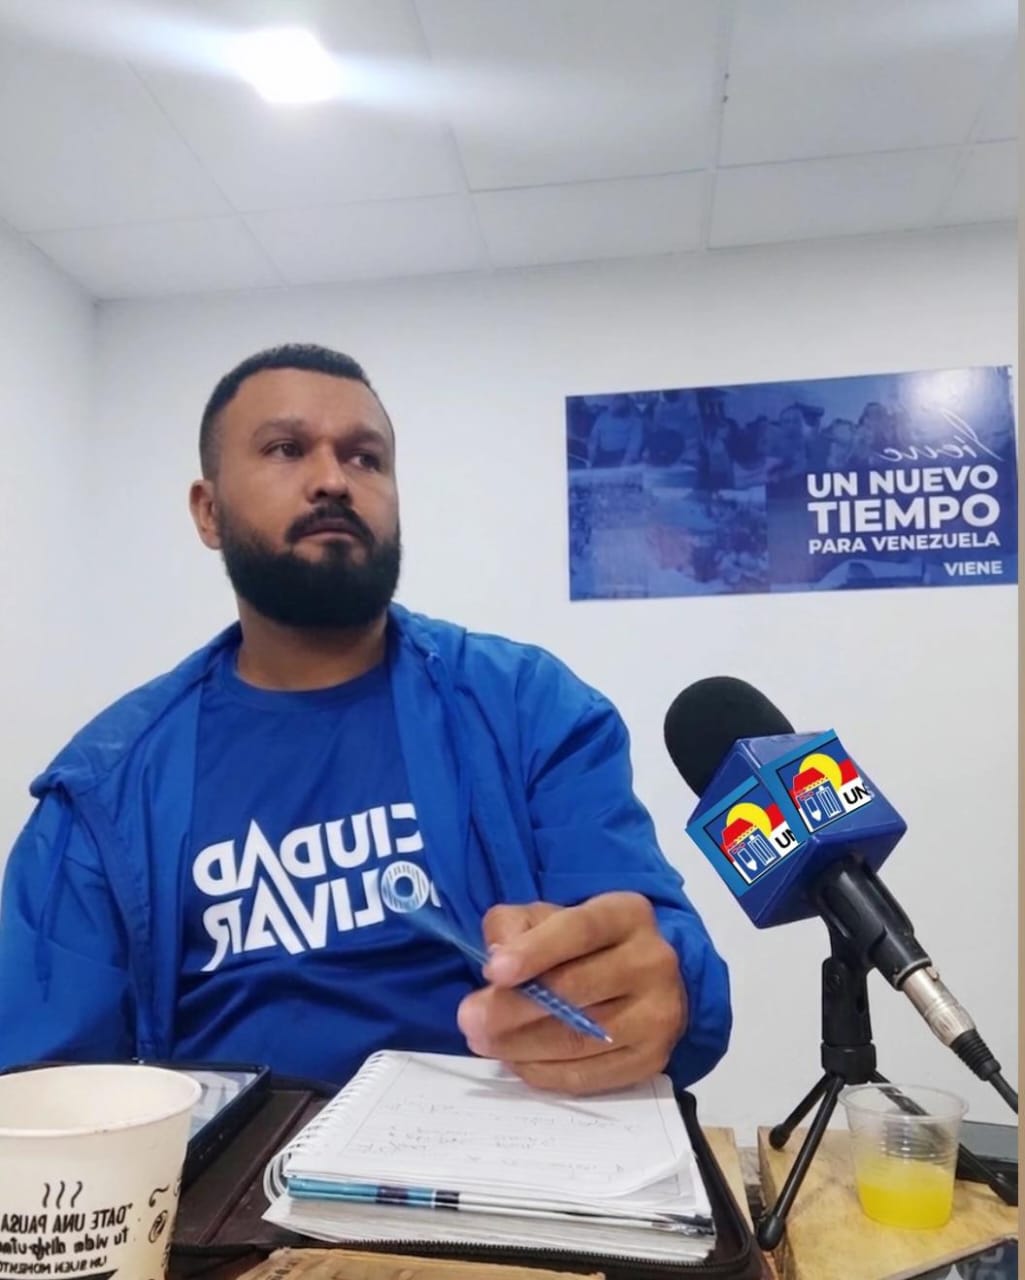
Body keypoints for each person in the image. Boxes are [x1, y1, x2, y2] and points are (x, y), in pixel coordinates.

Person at [0, 345, 730, 1095]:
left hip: (519, 1141)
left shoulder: (530, 709)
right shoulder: (105, 787)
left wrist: (662, 991)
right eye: (286, 449)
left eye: (365, 458)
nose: (333, 480)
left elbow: (649, 947)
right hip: (228, 1165)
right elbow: (43, 1087)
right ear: (208, 511)